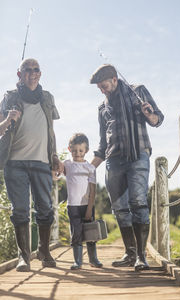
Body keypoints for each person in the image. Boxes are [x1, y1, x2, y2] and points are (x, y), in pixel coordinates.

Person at [90, 64, 164, 270]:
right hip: (113, 159)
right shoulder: (102, 108)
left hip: (138, 154)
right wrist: (88, 167)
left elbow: (158, 119)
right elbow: (103, 145)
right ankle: (130, 253)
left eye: (104, 86)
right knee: (120, 209)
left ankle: (142, 256)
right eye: (99, 88)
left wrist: (149, 115)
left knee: (138, 202)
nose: (102, 90)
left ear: (114, 79)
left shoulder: (137, 91)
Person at [0, 58, 63, 272]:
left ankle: (44, 251)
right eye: (27, 69)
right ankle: (23, 257)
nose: (32, 73)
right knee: (20, 211)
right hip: (14, 163)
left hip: (42, 161)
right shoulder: (10, 97)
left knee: (45, 208)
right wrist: (8, 120)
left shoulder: (47, 97)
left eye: (36, 69)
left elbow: (50, 129)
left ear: (40, 73)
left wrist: (54, 155)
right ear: (19, 74)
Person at [63, 133, 103, 270]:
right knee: (76, 233)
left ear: (86, 150)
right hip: (72, 206)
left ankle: (93, 259)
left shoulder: (90, 168)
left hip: (87, 205)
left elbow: (93, 191)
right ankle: (78, 261)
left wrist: (89, 209)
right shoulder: (67, 165)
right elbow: (56, 173)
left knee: (90, 233)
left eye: (80, 150)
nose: (77, 153)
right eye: (74, 150)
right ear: (69, 149)